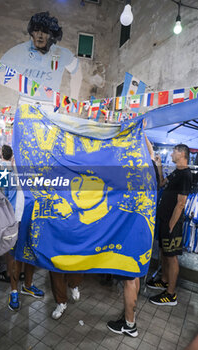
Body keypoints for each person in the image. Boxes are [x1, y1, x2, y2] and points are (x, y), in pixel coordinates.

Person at [106, 125, 158, 338]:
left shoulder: (129, 177)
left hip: (130, 232)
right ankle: (129, 318)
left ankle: (129, 325)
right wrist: (140, 133)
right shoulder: (151, 170)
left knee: (129, 279)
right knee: (134, 277)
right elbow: (151, 153)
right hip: (143, 232)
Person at [0, 145, 44, 311]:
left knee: (30, 253)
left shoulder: (35, 172)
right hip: (12, 221)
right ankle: (14, 291)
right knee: (12, 256)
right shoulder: (2, 169)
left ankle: (27, 285)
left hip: (32, 220)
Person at [0, 11, 82, 109]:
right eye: (36, 31)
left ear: (51, 35)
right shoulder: (20, 50)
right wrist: (25, 87)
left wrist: (73, 100)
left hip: (50, 105)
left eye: (45, 32)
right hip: (26, 102)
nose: (40, 35)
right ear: (31, 33)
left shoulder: (61, 53)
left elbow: (77, 73)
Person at [147, 144, 192, 306]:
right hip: (165, 220)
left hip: (172, 223)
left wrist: (172, 225)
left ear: (181, 154)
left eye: (174, 151)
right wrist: (159, 166)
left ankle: (170, 294)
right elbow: (161, 183)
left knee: (172, 257)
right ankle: (164, 280)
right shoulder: (177, 172)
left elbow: (181, 203)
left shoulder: (186, 175)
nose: (171, 154)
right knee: (165, 252)